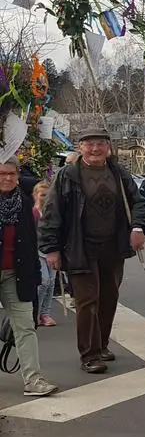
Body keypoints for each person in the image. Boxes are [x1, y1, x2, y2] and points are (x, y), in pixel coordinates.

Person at [39, 127, 145, 375]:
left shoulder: (118, 173)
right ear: (80, 148)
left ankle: (101, 344)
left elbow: (138, 202)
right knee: (87, 301)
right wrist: (51, 248)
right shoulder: (68, 175)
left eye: (100, 144)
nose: (95, 149)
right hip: (80, 246)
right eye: (89, 144)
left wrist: (138, 227)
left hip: (113, 246)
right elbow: (52, 212)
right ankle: (89, 355)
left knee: (109, 297)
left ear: (108, 148)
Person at [0, 159, 58, 396]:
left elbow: (30, 241)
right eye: (2, 173)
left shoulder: (23, 204)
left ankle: (33, 380)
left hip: (16, 274)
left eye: (11, 174)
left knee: (25, 327)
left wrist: (35, 276)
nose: (7, 178)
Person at [31, 181, 57, 327]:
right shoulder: (33, 213)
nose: (44, 198)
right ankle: (36, 312)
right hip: (37, 251)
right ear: (35, 195)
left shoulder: (52, 212)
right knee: (43, 282)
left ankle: (45, 313)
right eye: (42, 195)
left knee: (51, 283)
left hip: (51, 251)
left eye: (47, 195)